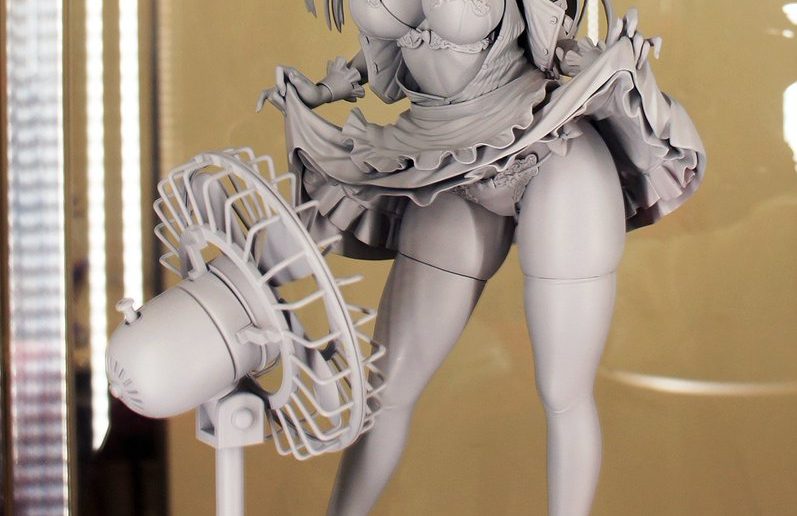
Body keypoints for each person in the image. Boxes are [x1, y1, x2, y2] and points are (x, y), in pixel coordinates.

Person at [257, 1, 705, 514]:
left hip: (549, 150)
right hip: (446, 161)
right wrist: (326, 89)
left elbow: (552, 40)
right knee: (385, 389)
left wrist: (602, 60)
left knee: (563, 392)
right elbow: (389, 47)